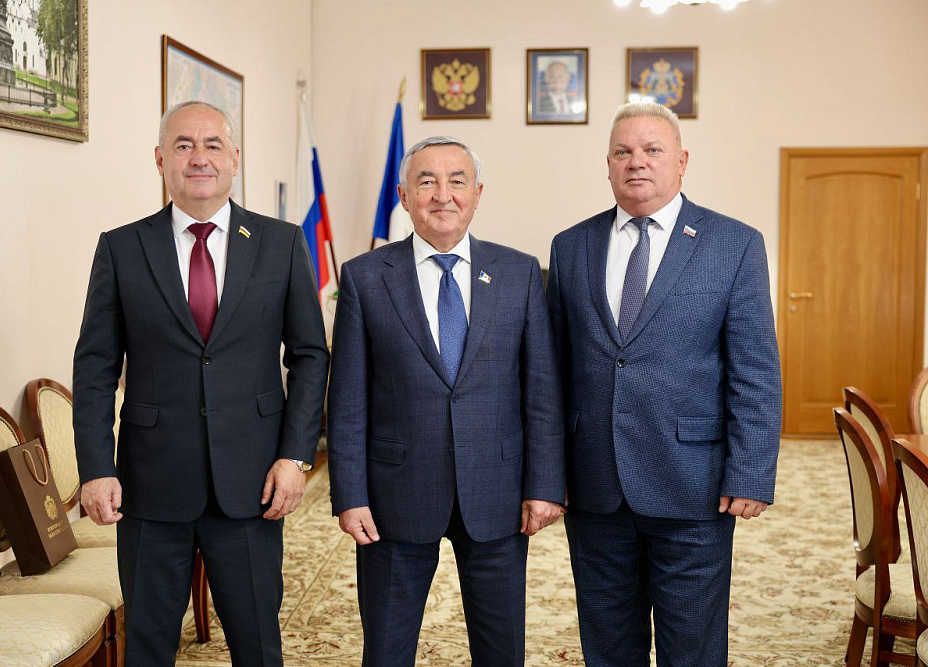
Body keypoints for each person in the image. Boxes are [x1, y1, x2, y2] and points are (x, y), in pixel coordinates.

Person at [73, 100, 330, 666]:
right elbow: (94, 367)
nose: (199, 158)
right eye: (183, 145)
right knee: (147, 647)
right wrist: (95, 468)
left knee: (258, 645)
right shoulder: (121, 247)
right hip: (150, 484)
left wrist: (296, 457)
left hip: (253, 483)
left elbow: (310, 356)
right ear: (160, 159)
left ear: (234, 157)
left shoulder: (281, 243)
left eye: (213, 145)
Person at [546, 102, 781, 666]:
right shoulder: (570, 246)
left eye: (652, 150)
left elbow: (755, 370)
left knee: (692, 648)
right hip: (595, 483)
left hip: (693, 485)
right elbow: (552, 372)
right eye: (623, 152)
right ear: (607, 164)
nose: (637, 162)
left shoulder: (734, 244)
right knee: (608, 646)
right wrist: (548, 475)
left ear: (681, 161)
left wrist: (750, 471)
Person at [327, 136, 565, 666]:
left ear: (477, 193)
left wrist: (545, 484)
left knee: (501, 650)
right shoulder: (365, 277)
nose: (442, 194)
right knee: (386, 649)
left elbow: (541, 391)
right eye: (426, 181)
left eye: (457, 181)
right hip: (394, 496)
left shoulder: (520, 272)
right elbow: (347, 400)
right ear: (404, 196)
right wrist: (349, 494)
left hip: (498, 494)